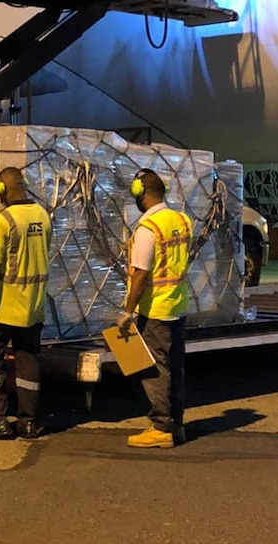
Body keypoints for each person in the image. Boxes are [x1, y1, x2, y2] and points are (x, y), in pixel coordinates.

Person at [0, 167, 52, 440]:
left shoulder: (2, 221)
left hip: (5, 306)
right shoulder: (42, 215)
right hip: (34, 305)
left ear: (1, 190)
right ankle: (28, 422)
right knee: (28, 360)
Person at [117, 168, 193, 448]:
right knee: (175, 367)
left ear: (141, 193)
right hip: (178, 304)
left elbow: (140, 273)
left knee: (155, 369)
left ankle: (161, 427)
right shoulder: (181, 220)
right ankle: (176, 424)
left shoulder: (148, 228)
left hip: (155, 309)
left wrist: (128, 311)